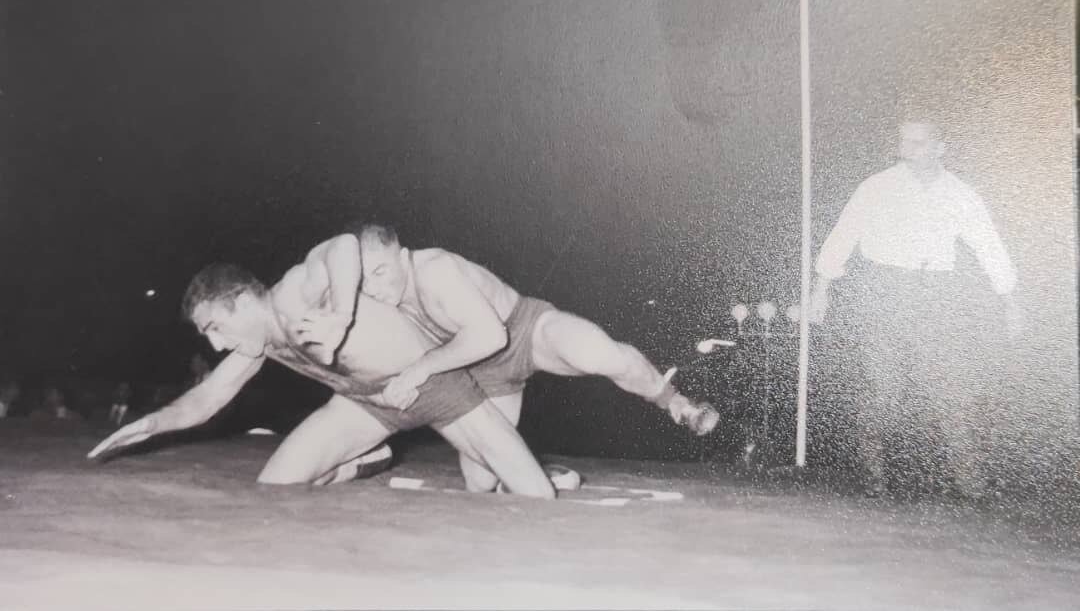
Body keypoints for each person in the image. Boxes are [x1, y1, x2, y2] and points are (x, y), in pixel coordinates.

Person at [292, 225, 720, 494]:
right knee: (480, 483)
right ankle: (374, 460)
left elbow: (490, 335)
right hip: (476, 374)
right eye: (363, 280)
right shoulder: (370, 304)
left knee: (598, 353)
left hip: (522, 332)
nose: (373, 287)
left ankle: (675, 402)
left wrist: (420, 368)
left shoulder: (434, 270)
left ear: (402, 257)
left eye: (381, 272)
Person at [88, 256, 556, 499]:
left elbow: (343, 247)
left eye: (215, 327)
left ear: (244, 302)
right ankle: (363, 461)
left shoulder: (294, 296)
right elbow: (208, 397)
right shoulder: (258, 343)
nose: (214, 344)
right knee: (275, 485)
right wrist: (152, 423)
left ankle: (524, 466)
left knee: (533, 493)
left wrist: (342, 314)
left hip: (433, 387)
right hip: (365, 404)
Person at [807, 120, 1021, 498]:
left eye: (919, 143)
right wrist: (821, 289)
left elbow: (989, 246)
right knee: (883, 390)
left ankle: (969, 481)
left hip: (935, 294)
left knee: (952, 390)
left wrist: (1011, 301)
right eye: (904, 142)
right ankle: (872, 476)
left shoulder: (960, 193)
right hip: (884, 290)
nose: (909, 149)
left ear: (940, 148)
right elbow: (844, 234)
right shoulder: (877, 186)